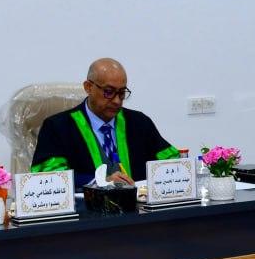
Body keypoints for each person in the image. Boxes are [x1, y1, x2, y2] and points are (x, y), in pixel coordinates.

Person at [32, 58, 178, 185]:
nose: (116, 101)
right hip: (86, 207)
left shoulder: (139, 123)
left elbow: (171, 163)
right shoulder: (58, 127)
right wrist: (100, 181)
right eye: (108, 92)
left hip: (136, 206)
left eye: (121, 93)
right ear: (88, 87)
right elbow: (50, 178)